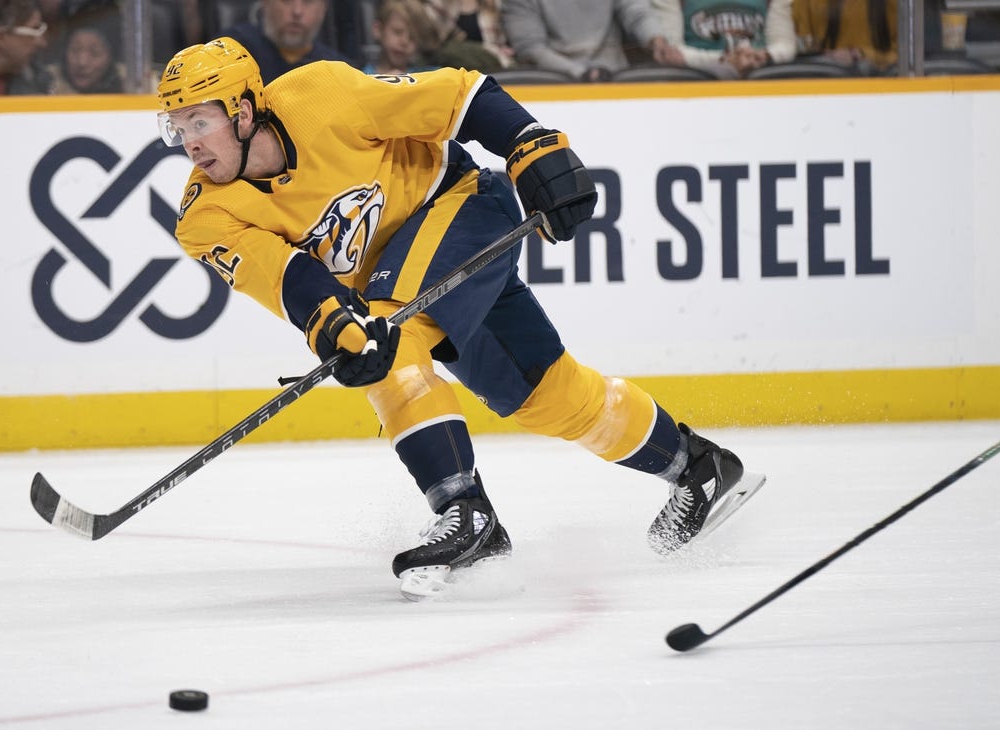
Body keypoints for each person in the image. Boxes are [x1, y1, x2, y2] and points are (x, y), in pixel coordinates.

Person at [155, 37, 760, 599]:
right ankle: (697, 467)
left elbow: (457, 95)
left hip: (464, 209)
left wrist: (532, 144)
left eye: (200, 122)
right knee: (546, 396)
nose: (191, 144)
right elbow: (286, 277)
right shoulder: (204, 214)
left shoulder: (323, 95)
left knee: (389, 334)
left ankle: (465, 508)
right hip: (414, 278)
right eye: (177, 128)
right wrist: (336, 325)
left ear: (242, 110)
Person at [500, 0, 673, 82]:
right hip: (554, 85)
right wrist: (581, 73)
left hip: (616, 79)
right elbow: (530, 48)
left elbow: (637, 12)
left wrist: (656, 40)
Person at [649, 0, 796, 79]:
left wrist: (763, 56)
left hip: (762, 83)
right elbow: (670, 51)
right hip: (696, 85)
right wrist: (725, 61)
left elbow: (786, 45)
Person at [218, 0, 356, 82]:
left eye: (308, 1)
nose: (297, 11)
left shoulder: (341, 71)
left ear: (324, 8)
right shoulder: (228, 51)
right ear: (265, 3)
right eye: (286, 0)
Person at [793, 0, 898, 74]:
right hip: (823, 84)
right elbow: (799, 49)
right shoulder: (805, 3)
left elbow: (907, 57)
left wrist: (859, 54)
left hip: (883, 86)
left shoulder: (898, 4)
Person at [418, 0, 516, 72]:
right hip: (449, 68)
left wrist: (502, 49)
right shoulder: (437, 5)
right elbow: (430, 41)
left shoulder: (493, 4)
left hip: (488, 67)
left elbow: (500, 41)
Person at [48, 11, 126, 93]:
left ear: (111, 57)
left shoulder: (131, 84)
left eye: (95, 53)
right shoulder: (47, 84)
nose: (82, 62)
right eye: (75, 50)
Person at [364, 0, 438, 75]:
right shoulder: (361, 78)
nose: (404, 42)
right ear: (378, 30)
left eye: (412, 37)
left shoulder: (429, 76)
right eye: (397, 32)